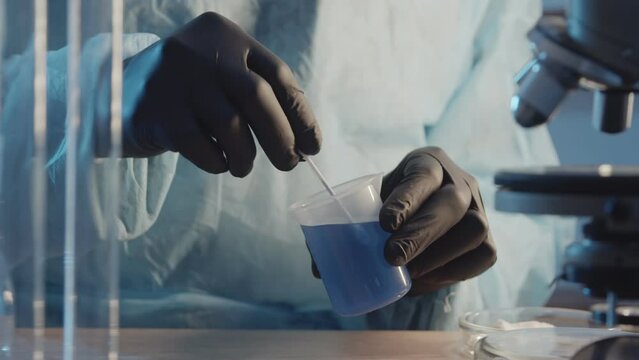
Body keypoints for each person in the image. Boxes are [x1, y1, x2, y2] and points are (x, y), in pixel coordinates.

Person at [2, 0, 572, 329]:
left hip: (356, 348)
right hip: (60, 333)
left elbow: (513, 211)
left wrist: (444, 252)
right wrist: (87, 98)